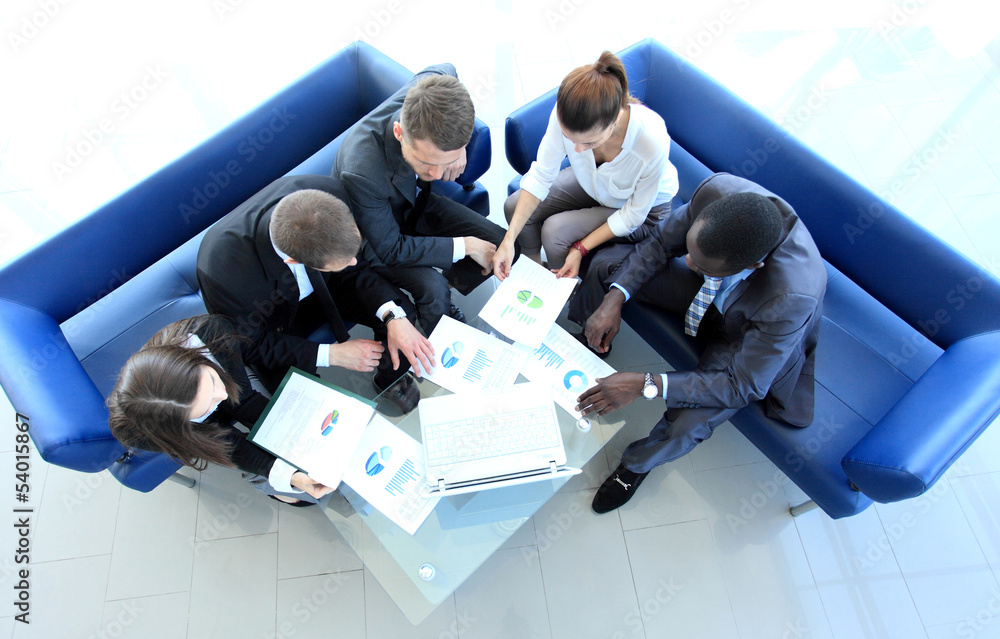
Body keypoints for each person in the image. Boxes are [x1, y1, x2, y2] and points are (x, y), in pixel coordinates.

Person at [570, 173, 826, 514]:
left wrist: (646, 384)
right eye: (689, 251)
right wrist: (613, 300)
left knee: (688, 424)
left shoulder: (792, 296)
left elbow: (741, 385)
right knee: (607, 269)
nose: (687, 261)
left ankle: (635, 466)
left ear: (753, 266)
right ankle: (589, 344)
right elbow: (661, 244)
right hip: (701, 294)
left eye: (699, 263)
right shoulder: (716, 194)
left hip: (744, 338)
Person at [196, 174, 434, 413]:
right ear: (293, 261)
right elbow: (252, 344)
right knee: (303, 402)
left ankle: (389, 380)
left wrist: (392, 315)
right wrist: (332, 355)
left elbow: (354, 270)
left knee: (401, 311)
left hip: (327, 284)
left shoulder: (327, 192)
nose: (354, 260)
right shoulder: (223, 270)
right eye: (343, 260)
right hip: (269, 321)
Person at [334, 63, 511, 333]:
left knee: (502, 242)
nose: (438, 174)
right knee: (433, 289)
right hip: (374, 235)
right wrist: (466, 246)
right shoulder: (361, 170)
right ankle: (432, 335)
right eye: (427, 163)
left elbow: (448, 68)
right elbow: (390, 248)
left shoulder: (429, 90)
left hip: (413, 202)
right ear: (398, 133)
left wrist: (459, 150)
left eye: (445, 162)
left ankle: (451, 289)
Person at [492, 51, 679, 281]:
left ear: (615, 120)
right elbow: (541, 175)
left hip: (641, 210)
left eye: (589, 142)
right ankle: (534, 269)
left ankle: (560, 291)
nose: (577, 150)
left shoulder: (650, 140)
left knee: (554, 232)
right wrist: (508, 240)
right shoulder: (566, 112)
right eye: (570, 139)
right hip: (595, 185)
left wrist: (581, 248)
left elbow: (633, 216)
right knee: (514, 206)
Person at [107, 315, 332, 506]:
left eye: (212, 381)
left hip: (234, 381)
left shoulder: (210, 334)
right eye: (205, 405)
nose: (221, 396)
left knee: (284, 425)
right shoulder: (139, 432)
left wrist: (291, 437)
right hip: (202, 432)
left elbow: (244, 402)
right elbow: (224, 445)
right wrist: (287, 475)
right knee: (281, 479)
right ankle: (268, 483)